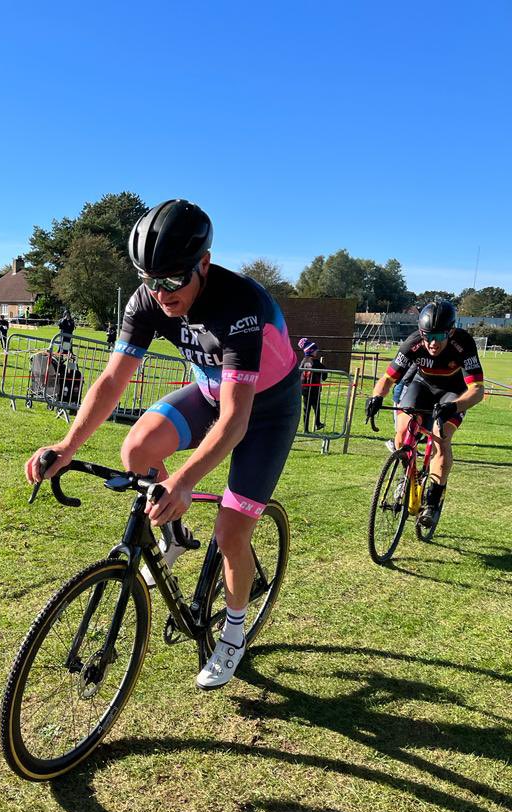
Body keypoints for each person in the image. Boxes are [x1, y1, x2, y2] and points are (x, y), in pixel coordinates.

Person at [26, 199, 301, 691]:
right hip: (213, 392)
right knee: (136, 452)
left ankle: (233, 635)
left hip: (265, 412)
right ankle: (174, 538)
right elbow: (113, 380)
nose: (161, 292)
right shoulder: (147, 299)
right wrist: (66, 445)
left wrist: (183, 480)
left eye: (172, 280)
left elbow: (237, 420)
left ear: (204, 264)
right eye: (150, 279)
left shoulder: (240, 305)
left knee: (231, 533)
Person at [366, 299, 484, 529]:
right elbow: (388, 378)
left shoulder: (463, 343)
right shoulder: (413, 343)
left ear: (450, 332)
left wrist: (456, 406)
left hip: (453, 392)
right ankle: (407, 475)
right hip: (422, 386)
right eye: (427, 335)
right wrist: (376, 397)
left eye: (439, 337)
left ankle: (433, 499)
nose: (432, 342)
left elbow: (477, 390)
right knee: (402, 430)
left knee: (441, 436)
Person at [298, 338, 327, 431]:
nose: (316, 352)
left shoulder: (303, 361)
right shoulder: (316, 362)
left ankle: (306, 429)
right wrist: (324, 377)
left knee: (306, 409)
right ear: (311, 351)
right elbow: (325, 370)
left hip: (305, 389)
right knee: (316, 407)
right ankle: (317, 423)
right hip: (314, 389)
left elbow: (299, 371)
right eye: (315, 350)